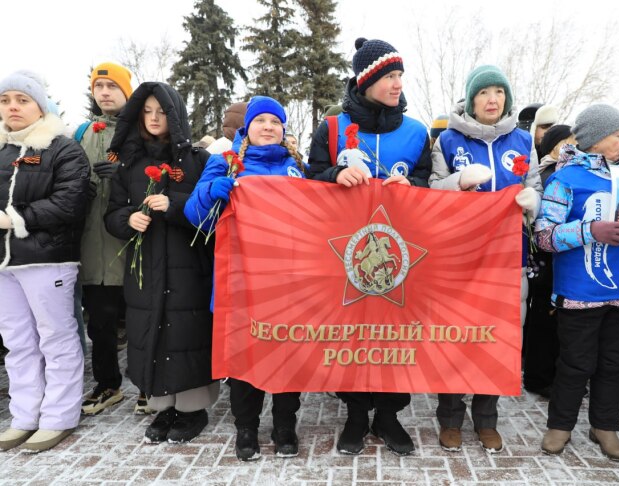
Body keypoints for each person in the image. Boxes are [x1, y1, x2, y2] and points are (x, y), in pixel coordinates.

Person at [308, 37, 431, 457]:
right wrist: (332, 176)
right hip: (343, 256)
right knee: (351, 332)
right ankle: (356, 413)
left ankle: (389, 413)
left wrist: (411, 186)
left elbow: (429, 185)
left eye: (400, 75)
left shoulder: (417, 132)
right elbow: (308, 182)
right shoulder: (332, 127)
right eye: (389, 76)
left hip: (403, 256)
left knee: (396, 331)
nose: (397, 84)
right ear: (367, 80)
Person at [535, 104, 619, 461]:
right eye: (618, 134)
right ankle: (560, 426)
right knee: (575, 363)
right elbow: (545, 236)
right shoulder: (565, 179)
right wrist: (590, 230)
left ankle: (605, 426)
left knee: (614, 363)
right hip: (581, 291)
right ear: (596, 138)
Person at [185, 95, 307, 462]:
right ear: (247, 128)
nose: (268, 127)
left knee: (289, 354)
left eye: (275, 122)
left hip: (289, 283)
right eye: (261, 121)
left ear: (283, 130)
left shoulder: (296, 167)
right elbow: (193, 213)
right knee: (246, 358)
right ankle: (247, 427)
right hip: (242, 282)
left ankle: (285, 425)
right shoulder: (226, 163)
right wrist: (211, 191)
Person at [429, 64, 542, 454]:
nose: (492, 99)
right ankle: (450, 418)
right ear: (471, 99)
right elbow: (431, 192)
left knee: (498, 338)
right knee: (455, 337)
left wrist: (533, 203)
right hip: (458, 259)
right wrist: (457, 183)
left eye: (498, 92)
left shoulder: (524, 140)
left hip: (508, 257)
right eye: (483, 93)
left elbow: (535, 186)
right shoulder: (447, 140)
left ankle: (486, 419)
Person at [104, 82, 218, 444]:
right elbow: (112, 213)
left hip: (188, 266)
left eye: (162, 112)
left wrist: (175, 206)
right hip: (146, 268)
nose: (154, 119)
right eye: (147, 112)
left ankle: (192, 410)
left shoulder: (199, 161)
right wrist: (127, 220)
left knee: (186, 332)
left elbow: (213, 214)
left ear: (176, 115)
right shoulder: (129, 164)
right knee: (149, 329)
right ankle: (162, 407)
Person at [0, 70, 90, 452]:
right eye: (5, 100)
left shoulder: (63, 148)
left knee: (55, 337)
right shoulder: (2, 148)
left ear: (39, 105)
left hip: (48, 259)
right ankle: (24, 414)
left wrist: (15, 219)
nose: (13, 107)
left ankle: (59, 415)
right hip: (5, 264)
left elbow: (71, 201)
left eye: (22, 99)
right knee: (18, 341)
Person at [76, 62, 140, 417]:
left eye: (111, 86)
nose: (104, 92)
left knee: (138, 318)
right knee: (99, 322)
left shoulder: (139, 130)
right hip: (92, 242)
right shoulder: (83, 131)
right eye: (98, 86)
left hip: (129, 242)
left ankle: (148, 385)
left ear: (125, 91)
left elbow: (156, 176)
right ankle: (107, 385)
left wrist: (125, 175)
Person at [523, 124, 575, 399]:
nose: (573, 146)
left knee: (556, 320)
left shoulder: (570, 172)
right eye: (567, 141)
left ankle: (551, 374)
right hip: (544, 256)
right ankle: (538, 376)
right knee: (542, 316)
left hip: (565, 255)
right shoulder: (547, 174)